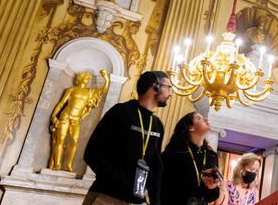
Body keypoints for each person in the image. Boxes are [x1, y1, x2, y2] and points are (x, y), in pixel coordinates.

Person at [83, 71, 172, 205]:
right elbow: (92, 153)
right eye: (168, 87)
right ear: (156, 86)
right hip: (108, 195)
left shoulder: (157, 125)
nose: (171, 93)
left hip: (136, 200)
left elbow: (156, 167)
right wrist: (118, 182)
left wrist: (155, 201)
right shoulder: (121, 112)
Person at [161, 112, 223, 205]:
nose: (206, 119)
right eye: (199, 118)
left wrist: (212, 187)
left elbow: (211, 198)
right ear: (191, 128)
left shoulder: (212, 155)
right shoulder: (174, 152)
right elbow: (161, 186)